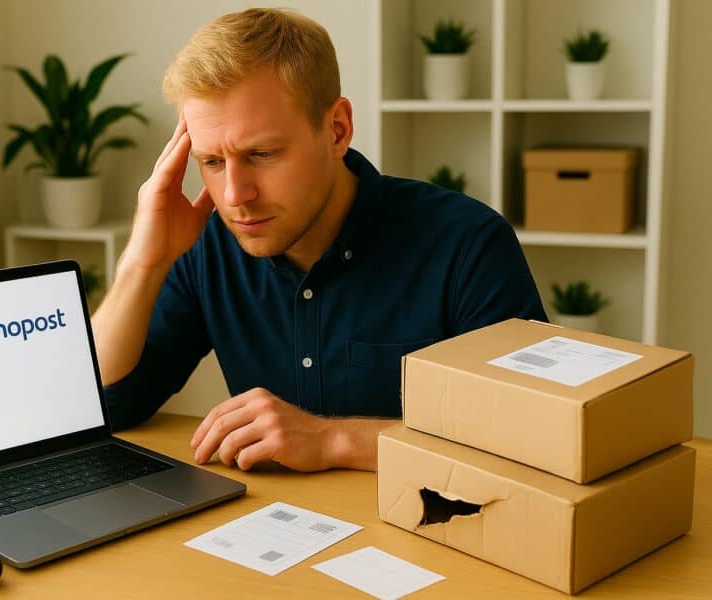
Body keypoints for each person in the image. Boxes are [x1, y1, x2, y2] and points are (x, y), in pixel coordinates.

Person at [91, 8, 546, 473]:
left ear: (337, 130)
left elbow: (533, 433)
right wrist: (142, 264)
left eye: (262, 154)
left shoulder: (467, 244)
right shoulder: (209, 245)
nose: (235, 195)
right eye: (211, 162)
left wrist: (335, 440)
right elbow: (108, 408)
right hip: (270, 533)